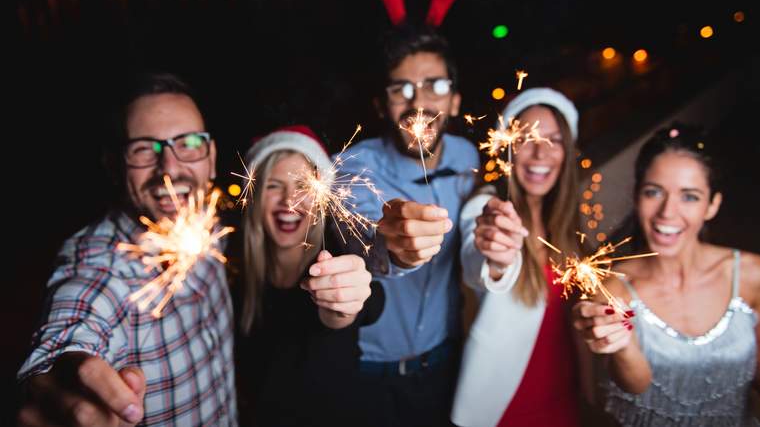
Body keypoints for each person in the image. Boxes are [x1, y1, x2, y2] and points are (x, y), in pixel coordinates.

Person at [16, 73, 238, 426]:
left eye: (189, 143)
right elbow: (75, 325)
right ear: (116, 166)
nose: (169, 168)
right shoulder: (103, 265)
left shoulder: (211, 224)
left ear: (210, 157)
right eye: (144, 149)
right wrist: (60, 383)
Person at [573, 125, 760, 426]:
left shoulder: (752, 273)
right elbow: (635, 386)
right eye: (654, 192)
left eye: (690, 196)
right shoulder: (612, 290)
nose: (667, 213)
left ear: (713, 205)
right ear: (636, 197)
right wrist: (620, 345)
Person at [337, 24, 479, 426]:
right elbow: (360, 238)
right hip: (367, 375)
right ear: (383, 104)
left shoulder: (469, 159)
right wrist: (394, 246)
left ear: (454, 100)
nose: (419, 101)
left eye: (434, 85)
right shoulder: (353, 167)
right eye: (402, 89)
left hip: (442, 366)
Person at [451, 88, 584, 426]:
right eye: (527, 138)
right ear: (508, 147)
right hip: (507, 407)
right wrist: (495, 259)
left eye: (554, 140)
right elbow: (476, 258)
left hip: (567, 397)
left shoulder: (568, 225)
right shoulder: (485, 209)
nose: (541, 152)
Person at [233, 125, 380, 426]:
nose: (289, 201)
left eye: (302, 186)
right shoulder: (234, 272)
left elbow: (353, 306)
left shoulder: (336, 256)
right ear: (256, 195)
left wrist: (342, 300)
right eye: (274, 185)